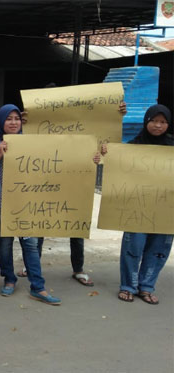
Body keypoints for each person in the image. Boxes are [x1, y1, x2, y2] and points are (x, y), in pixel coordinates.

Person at [16, 99, 128, 287]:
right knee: (39, 223)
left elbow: (103, 146)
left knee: (76, 226)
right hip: (45, 181)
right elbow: (24, 143)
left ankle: (78, 269)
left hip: (76, 182)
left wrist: (115, 115)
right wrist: (25, 122)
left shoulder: (81, 131)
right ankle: (32, 266)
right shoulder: (40, 129)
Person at [0, 104, 61, 305]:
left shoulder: (30, 142)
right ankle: (9, 279)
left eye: (17, 118)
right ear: (1, 121)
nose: (13, 122)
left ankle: (38, 287)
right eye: (9, 119)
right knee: (5, 243)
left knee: (31, 244)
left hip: (27, 202)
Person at [101, 104, 173, 304]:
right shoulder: (133, 146)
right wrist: (109, 153)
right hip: (137, 209)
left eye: (163, 122)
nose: (158, 126)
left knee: (159, 249)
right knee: (133, 247)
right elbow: (117, 167)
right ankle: (128, 286)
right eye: (154, 121)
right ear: (146, 121)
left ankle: (147, 287)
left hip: (165, 211)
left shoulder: (172, 146)